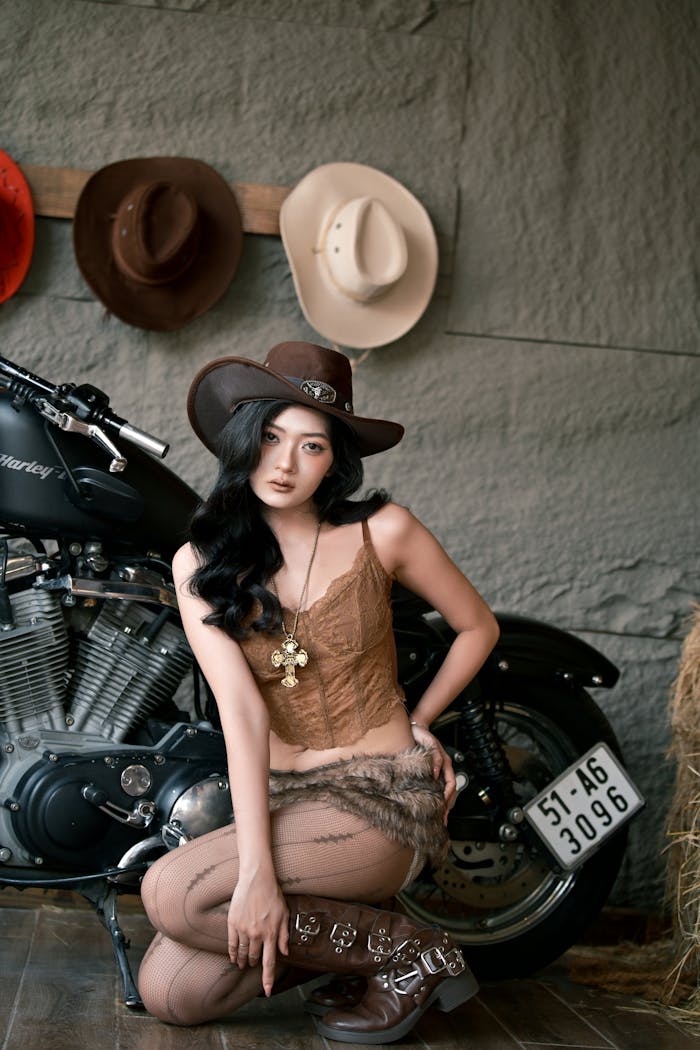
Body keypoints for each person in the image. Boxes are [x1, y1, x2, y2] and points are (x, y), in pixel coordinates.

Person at [137, 341, 500, 1043]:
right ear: (244, 439)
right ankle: (364, 945)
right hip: (283, 805)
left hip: (381, 798)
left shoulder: (382, 532)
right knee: (171, 993)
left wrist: (422, 722)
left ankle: (414, 954)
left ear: (336, 460)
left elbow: (476, 627)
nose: (285, 463)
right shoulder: (202, 563)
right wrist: (255, 875)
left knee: (167, 891)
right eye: (272, 438)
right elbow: (241, 714)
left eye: (312, 446)